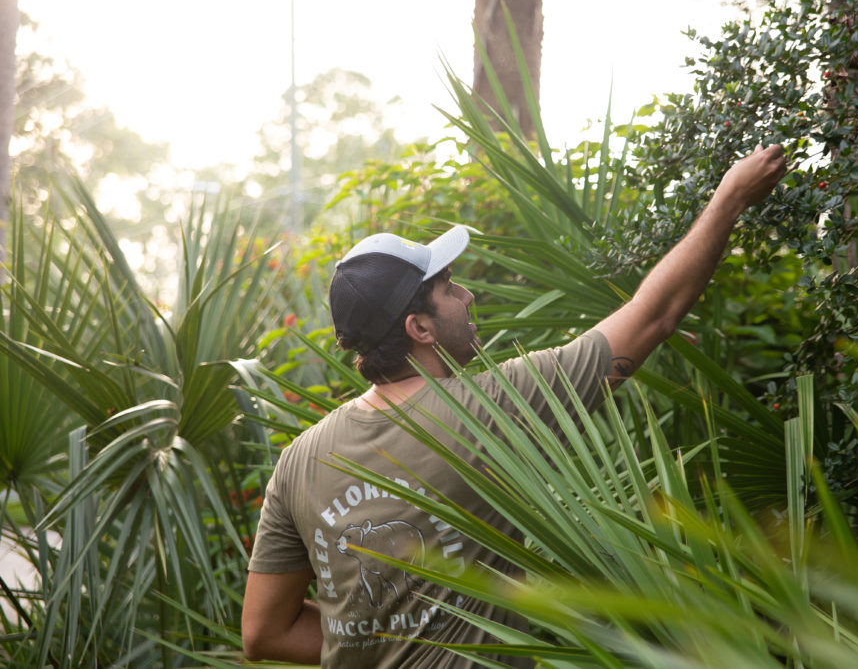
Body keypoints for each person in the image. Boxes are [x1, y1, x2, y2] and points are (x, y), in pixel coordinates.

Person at [241, 144, 787, 667]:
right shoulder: (494, 409)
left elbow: (263, 632)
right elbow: (653, 315)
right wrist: (731, 197)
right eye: (449, 287)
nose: (467, 296)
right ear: (419, 327)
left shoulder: (299, 461)